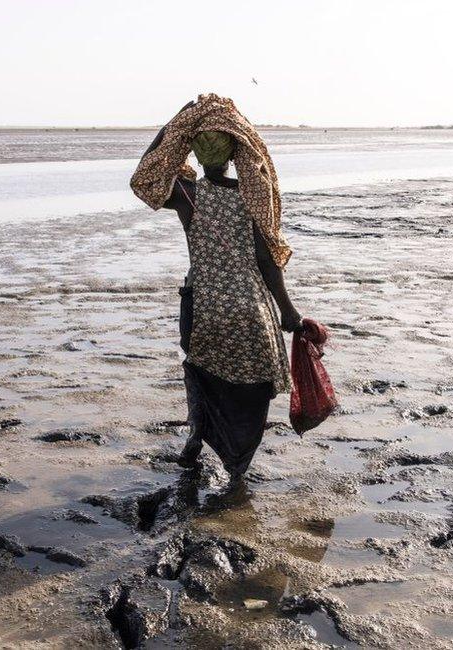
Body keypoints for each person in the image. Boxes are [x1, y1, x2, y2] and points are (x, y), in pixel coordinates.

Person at [131, 97, 302, 483]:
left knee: (200, 371)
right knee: (251, 390)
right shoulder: (252, 197)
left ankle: (196, 433)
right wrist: (288, 311)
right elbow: (266, 260)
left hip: (204, 304)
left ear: (195, 151)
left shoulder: (189, 195)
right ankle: (238, 464)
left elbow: (144, 176)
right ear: (235, 152)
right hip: (251, 308)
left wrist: (174, 126)